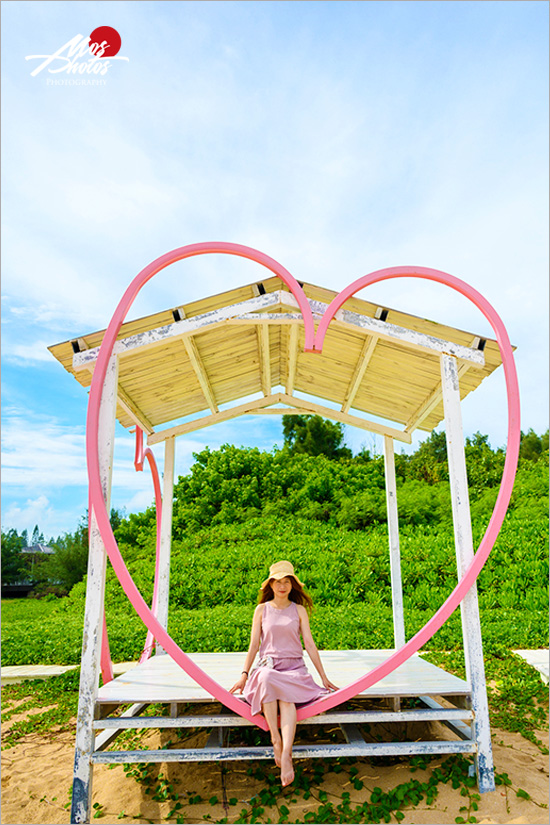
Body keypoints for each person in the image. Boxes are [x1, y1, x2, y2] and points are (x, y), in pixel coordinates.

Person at [229, 560, 338, 787]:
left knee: (287, 701)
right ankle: (275, 739)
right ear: (270, 585)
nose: (282, 586)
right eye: (277, 581)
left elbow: (309, 643)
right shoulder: (261, 610)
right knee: (267, 678)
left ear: (292, 585)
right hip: (268, 667)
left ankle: (287, 753)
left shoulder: (298, 610)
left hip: (294, 668)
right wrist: (244, 674)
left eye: (286, 581)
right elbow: (253, 646)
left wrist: (323, 677)